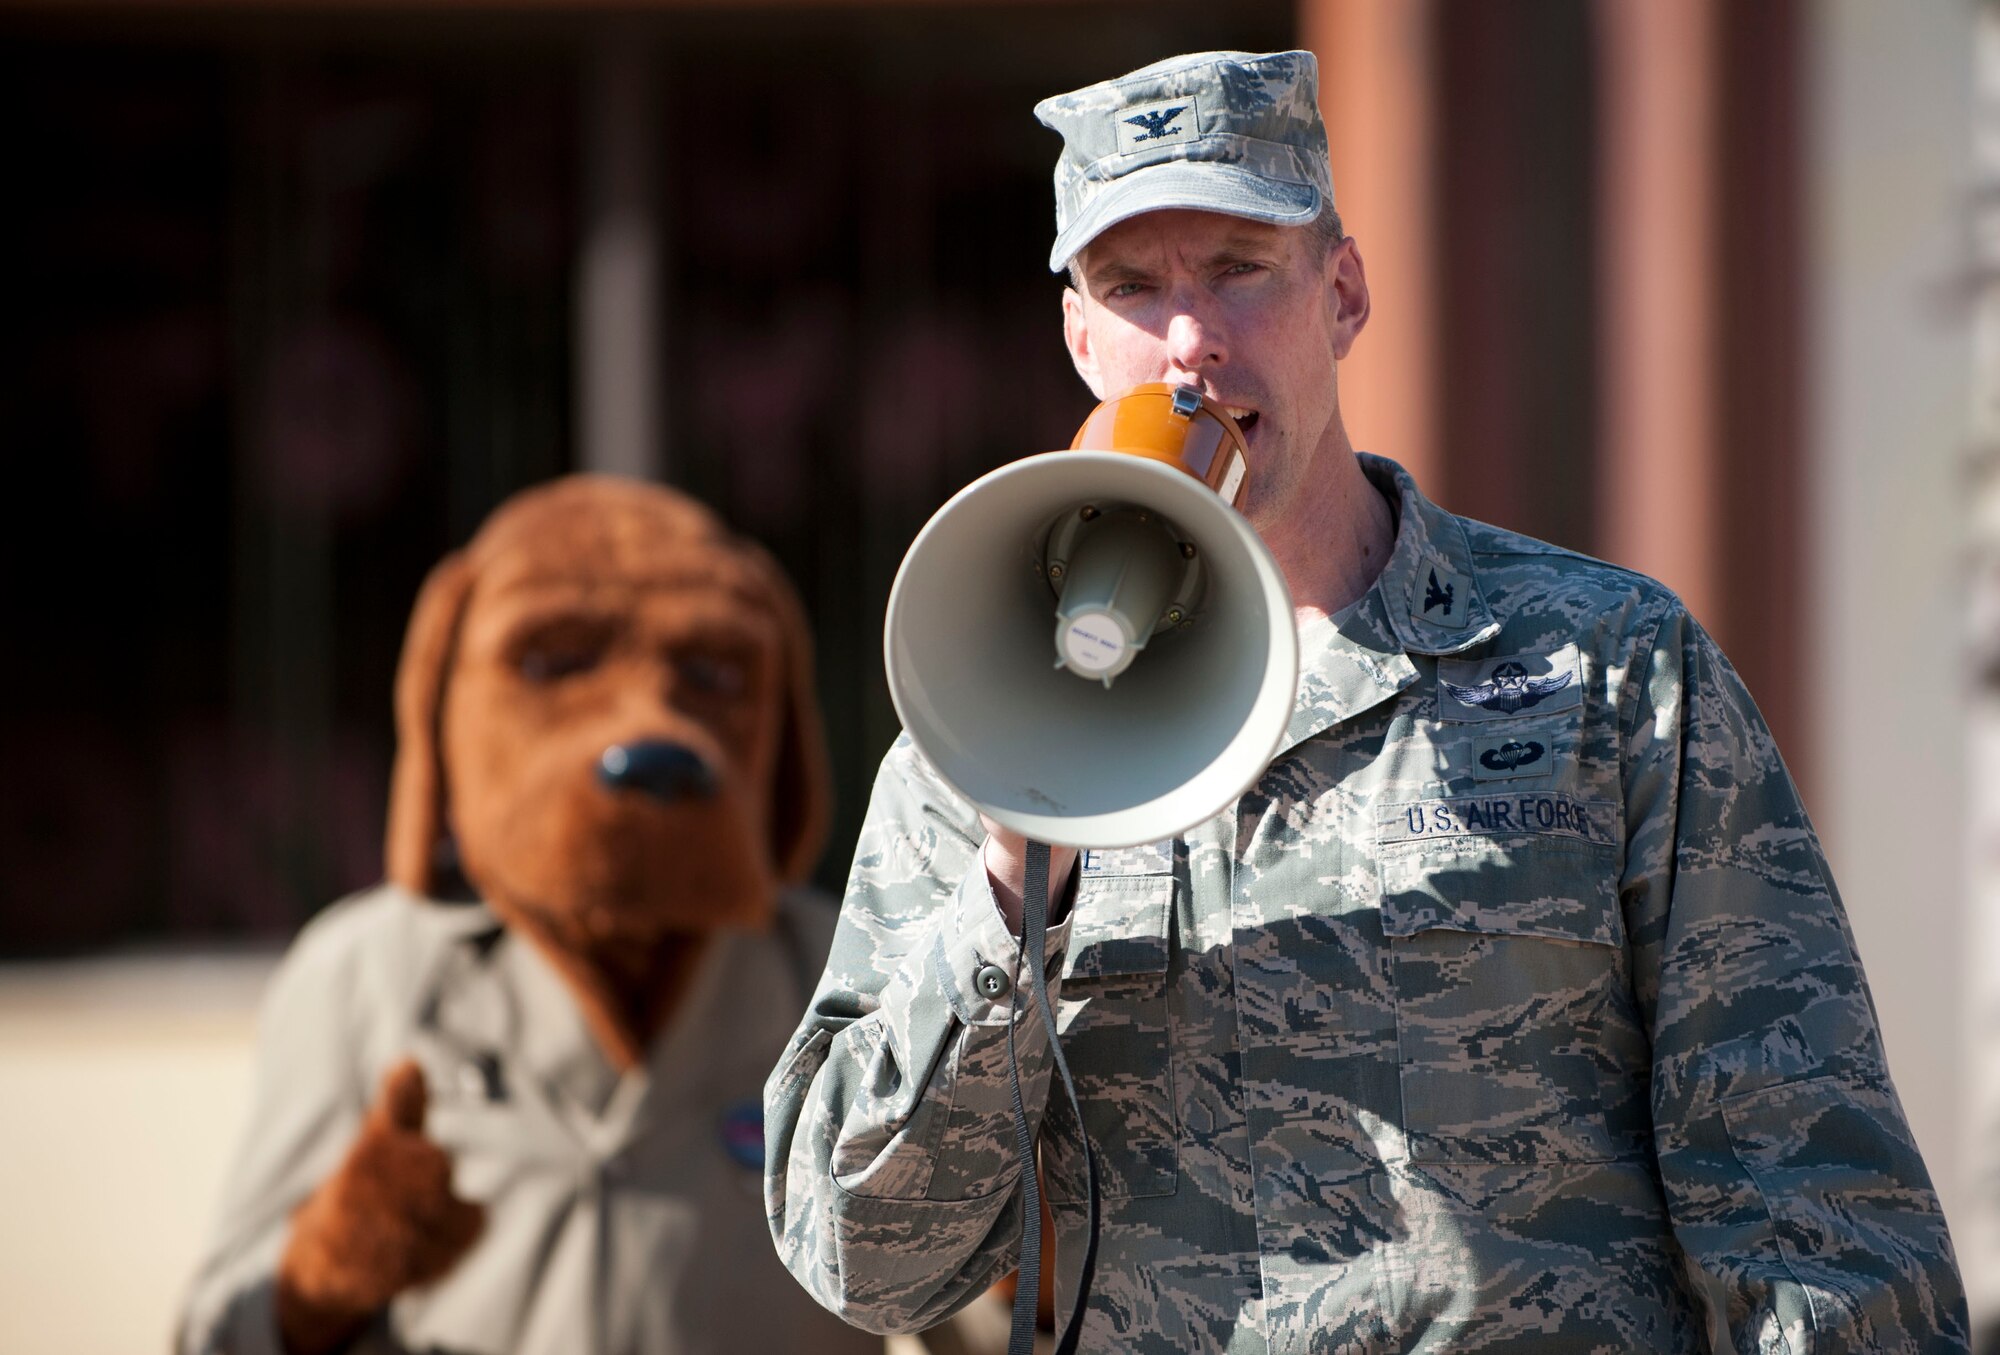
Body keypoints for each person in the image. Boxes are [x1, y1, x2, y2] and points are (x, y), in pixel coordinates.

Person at [765, 48, 1970, 1353]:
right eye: (1132, 288)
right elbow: (865, 1257)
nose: (1188, 344)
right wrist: (1010, 883)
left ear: (1341, 292)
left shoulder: (1606, 668)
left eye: (1238, 270)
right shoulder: (990, 719)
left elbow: (1805, 1197)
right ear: (1077, 335)